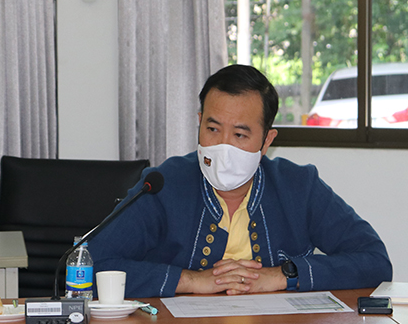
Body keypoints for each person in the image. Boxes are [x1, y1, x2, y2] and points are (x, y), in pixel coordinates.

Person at [89, 64, 391, 298]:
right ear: (199, 123)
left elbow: (374, 260)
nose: (223, 145)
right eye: (212, 129)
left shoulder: (299, 187)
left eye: (240, 135)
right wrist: (192, 281)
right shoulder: (164, 184)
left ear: (266, 140)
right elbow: (89, 265)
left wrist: (282, 275)